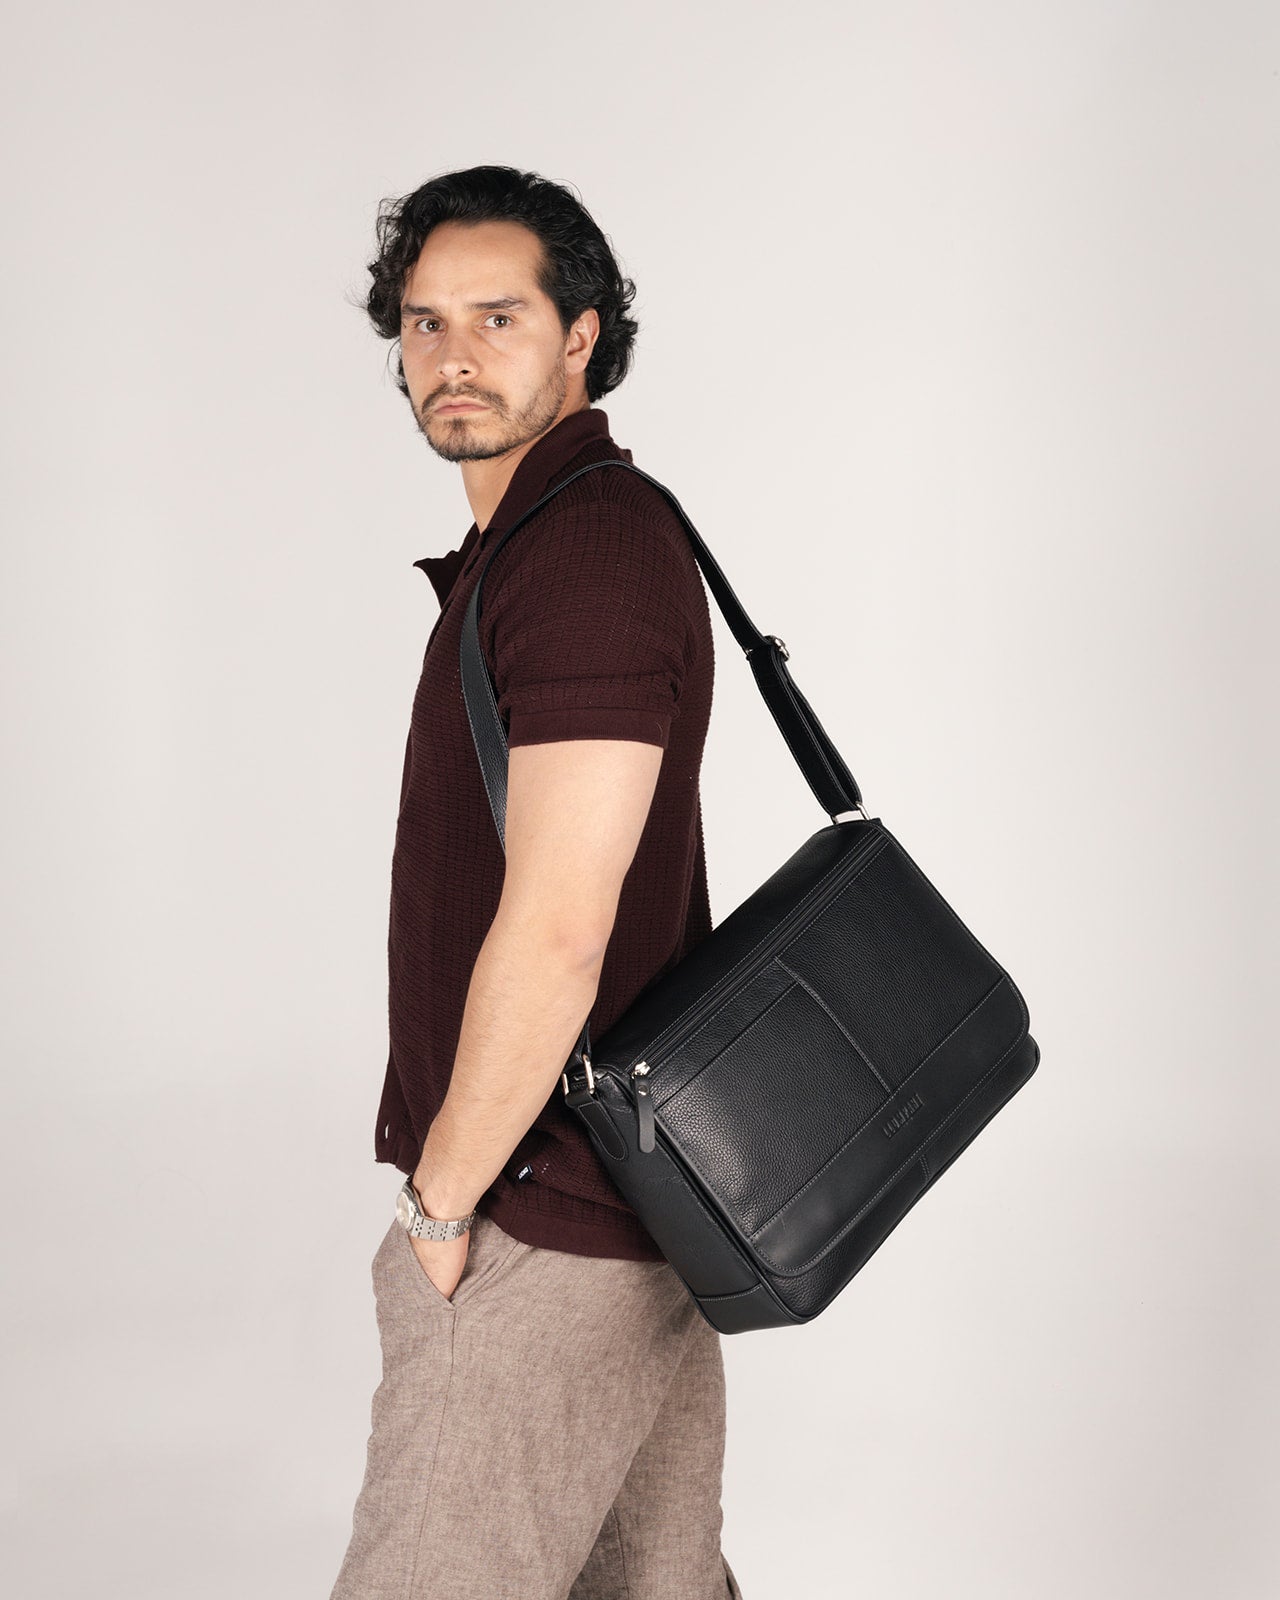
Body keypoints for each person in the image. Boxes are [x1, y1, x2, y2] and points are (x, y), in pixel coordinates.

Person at [328, 165, 744, 1599]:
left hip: (542, 1209)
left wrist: (441, 1210)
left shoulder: (584, 557)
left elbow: (562, 926)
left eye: (497, 318)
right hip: (627, 1202)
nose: (452, 355)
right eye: (425, 322)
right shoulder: (544, 544)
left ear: (580, 336)